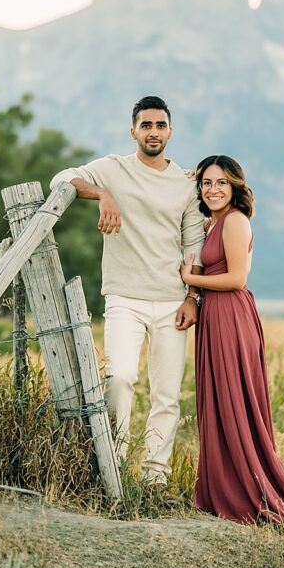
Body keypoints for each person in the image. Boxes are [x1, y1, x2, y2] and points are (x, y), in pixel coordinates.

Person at [50, 95, 204, 485]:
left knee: (166, 394)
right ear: (133, 131)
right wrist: (103, 194)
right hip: (124, 298)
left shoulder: (185, 184)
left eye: (160, 125)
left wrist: (192, 297)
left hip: (172, 300)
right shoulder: (112, 169)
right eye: (146, 125)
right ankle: (113, 467)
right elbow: (61, 179)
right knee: (119, 378)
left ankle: (155, 477)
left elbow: (194, 245)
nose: (153, 132)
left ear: (170, 132)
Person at [180, 155, 284, 527]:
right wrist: (187, 178)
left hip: (230, 316)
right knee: (219, 403)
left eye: (222, 182)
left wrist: (190, 279)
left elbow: (237, 278)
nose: (213, 189)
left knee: (235, 401)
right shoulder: (213, 222)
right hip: (214, 317)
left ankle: (253, 494)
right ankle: (224, 489)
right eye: (207, 183)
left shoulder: (235, 221)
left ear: (235, 186)